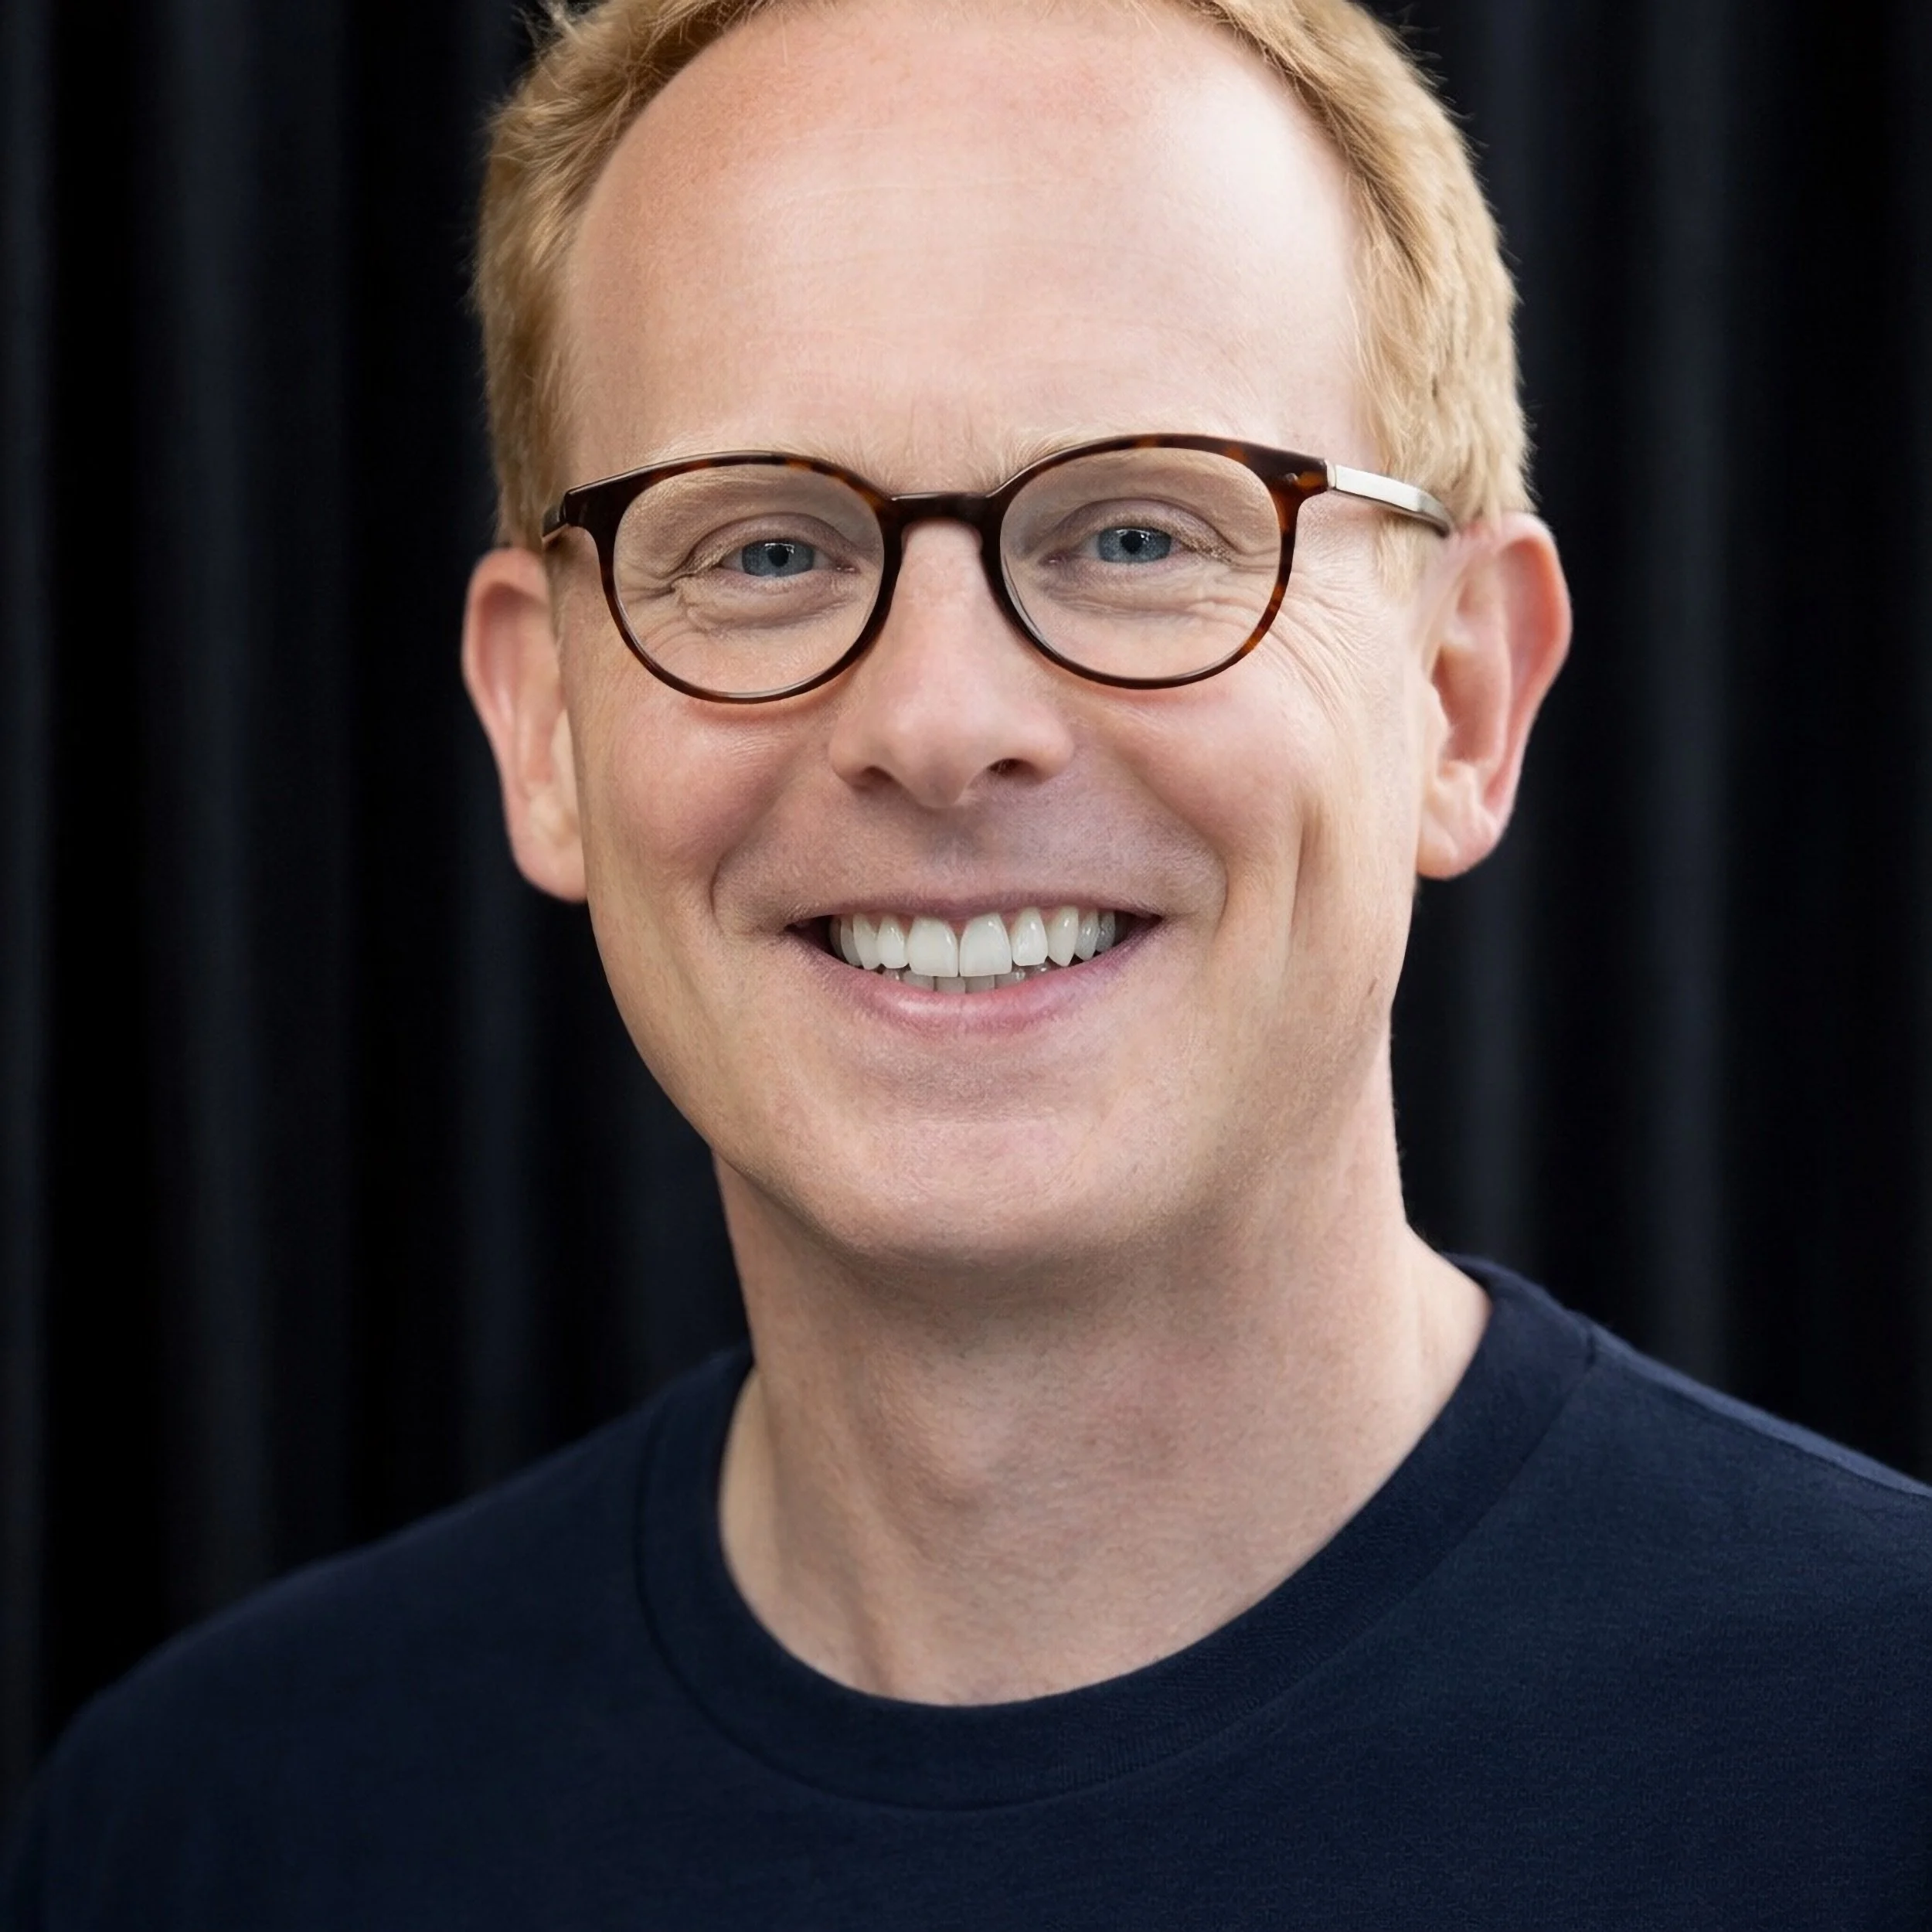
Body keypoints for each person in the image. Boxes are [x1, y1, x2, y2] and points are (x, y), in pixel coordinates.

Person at [7, 0, 1931, 1921]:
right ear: (542, 731)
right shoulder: (212, 1832)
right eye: (763, 550)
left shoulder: (1882, 1760)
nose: (934, 719)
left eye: (1133, 529)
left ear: (1457, 695)